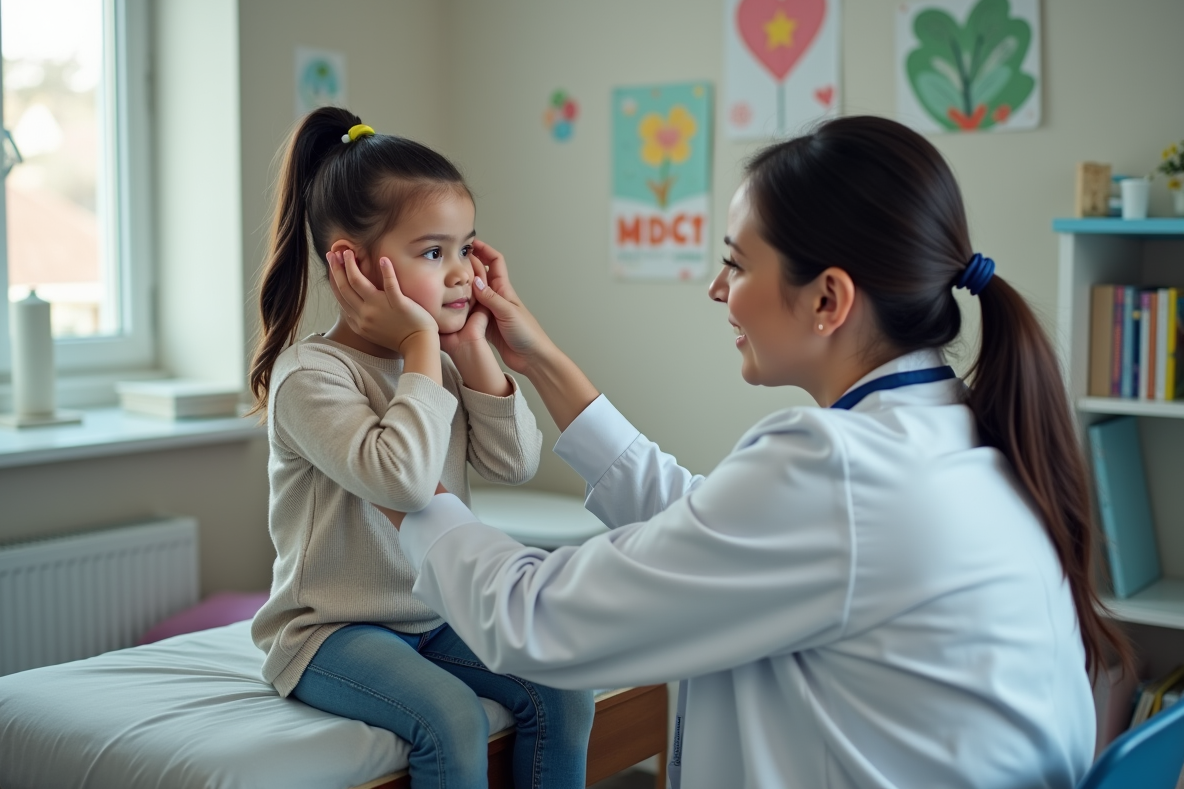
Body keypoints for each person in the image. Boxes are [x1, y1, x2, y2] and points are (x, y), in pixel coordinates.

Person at [327, 115, 1130, 789]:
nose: (718, 290)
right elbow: (708, 525)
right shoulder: (950, 432)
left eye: (737, 264)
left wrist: (407, 491)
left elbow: (535, 621)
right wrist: (536, 359)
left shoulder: (837, 468)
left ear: (828, 299)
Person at [247, 107, 593, 789]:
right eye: (434, 253)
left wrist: (473, 353)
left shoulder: (437, 362)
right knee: (451, 718)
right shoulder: (310, 377)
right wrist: (419, 349)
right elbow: (399, 481)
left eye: (467, 248)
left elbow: (515, 463)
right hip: (330, 633)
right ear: (351, 262)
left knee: (563, 688)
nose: (462, 271)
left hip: (434, 613)